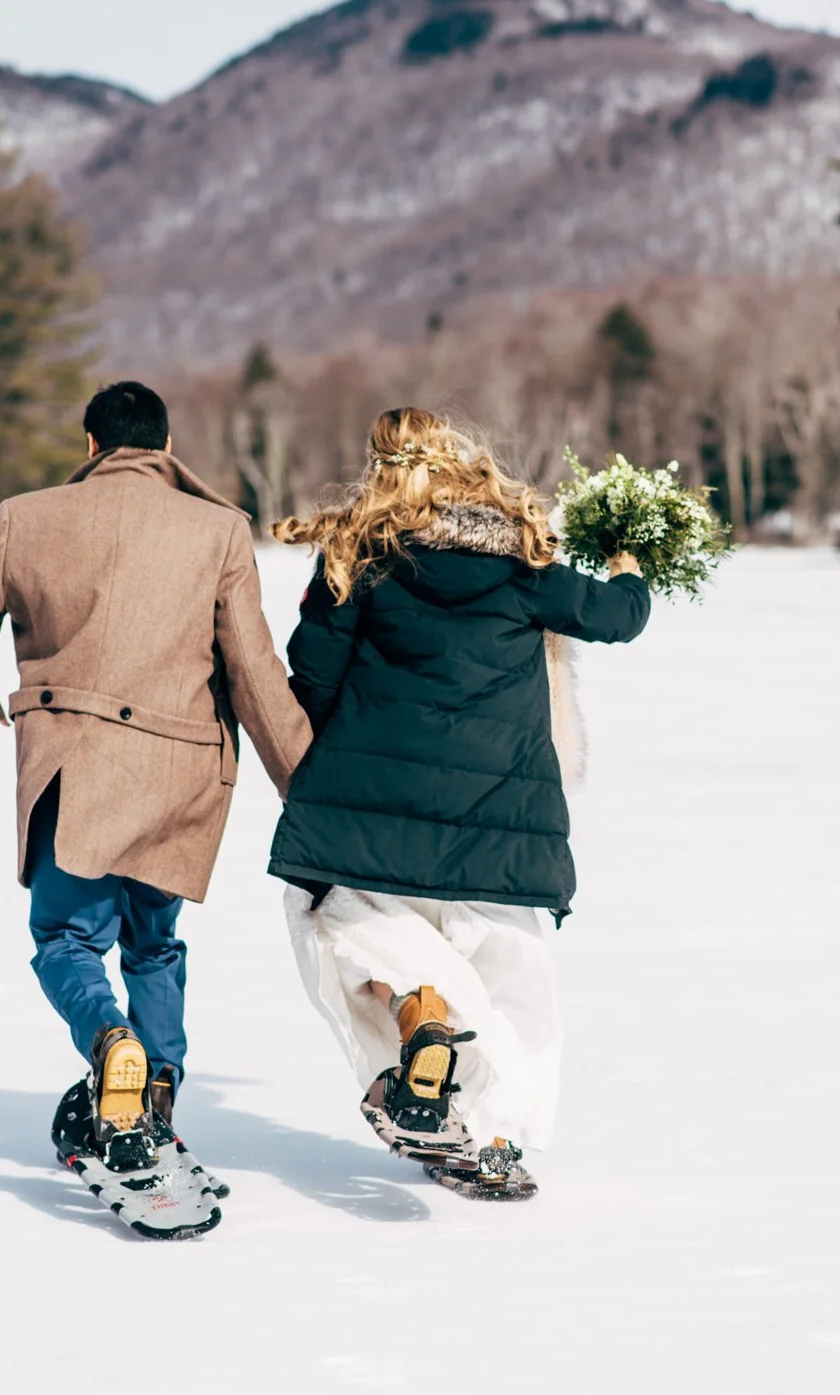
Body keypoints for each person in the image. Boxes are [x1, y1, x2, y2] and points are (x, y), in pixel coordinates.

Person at [0, 380, 311, 1168]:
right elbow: (252, 666)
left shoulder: (25, 517)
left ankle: (110, 1041)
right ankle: (156, 1093)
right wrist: (301, 776)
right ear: (167, 450)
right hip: (182, 770)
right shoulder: (221, 529)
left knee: (67, 936)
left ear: (91, 446)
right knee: (154, 941)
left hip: (75, 767)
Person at [268, 407, 651, 1189]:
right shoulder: (521, 563)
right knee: (513, 976)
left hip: (369, 801)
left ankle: (423, 1019)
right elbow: (619, 618)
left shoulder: (358, 557)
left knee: (355, 927)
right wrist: (630, 563)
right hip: (500, 822)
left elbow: (312, 679)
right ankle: (496, 1138)